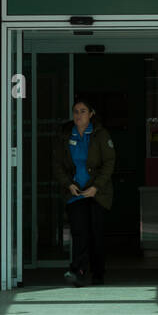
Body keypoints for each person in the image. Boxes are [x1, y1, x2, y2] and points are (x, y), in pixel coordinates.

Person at [52, 98, 116, 286]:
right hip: (75, 192)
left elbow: (109, 162)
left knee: (96, 233)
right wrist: (68, 184)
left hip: (97, 194)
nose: (78, 115)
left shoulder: (100, 134)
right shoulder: (65, 134)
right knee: (79, 233)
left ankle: (98, 273)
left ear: (91, 114)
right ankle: (78, 270)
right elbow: (57, 164)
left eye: (82, 111)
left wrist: (95, 187)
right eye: (75, 111)